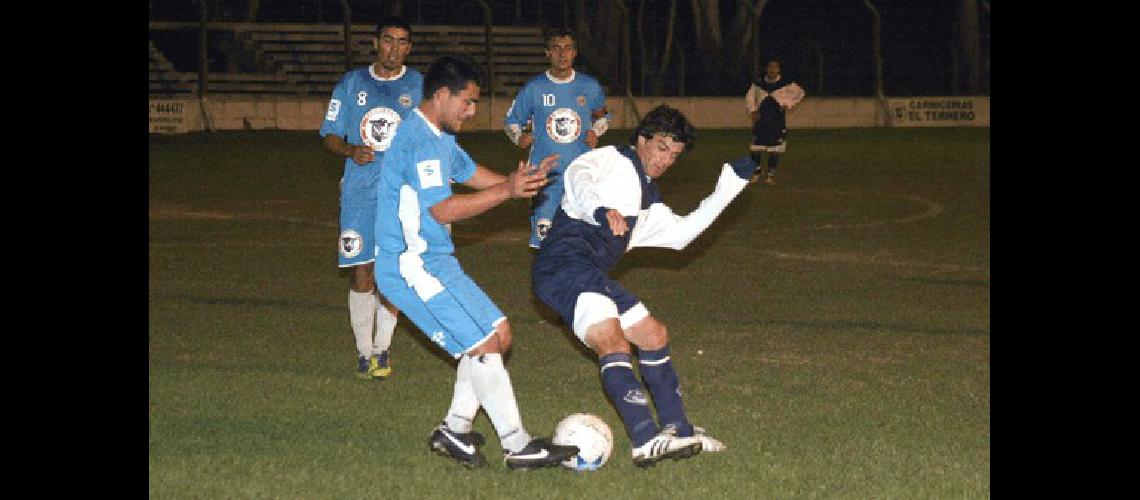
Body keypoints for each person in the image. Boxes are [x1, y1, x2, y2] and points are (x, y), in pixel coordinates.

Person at [373, 55, 578, 470]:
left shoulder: (439, 136)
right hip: (409, 266)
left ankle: (454, 430)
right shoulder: (418, 140)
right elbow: (443, 211)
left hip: (435, 260)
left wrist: (520, 181)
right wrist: (507, 192)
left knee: (499, 335)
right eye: (467, 102)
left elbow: (468, 172)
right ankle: (518, 446)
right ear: (443, 95)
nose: (471, 111)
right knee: (483, 346)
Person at [532, 104, 759, 467]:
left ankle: (678, 430)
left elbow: (682, 235)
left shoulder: (646, 200)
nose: (666, 159)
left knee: (653, 335)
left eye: (675, 154)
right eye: (662, 147)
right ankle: (644, 439)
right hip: (563, 268)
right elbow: (577, 175)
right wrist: (600, 210)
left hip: (589, 274)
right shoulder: (612, 158)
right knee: (612, 340)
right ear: (642, 139)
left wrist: (729, 187)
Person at [319, 16, 422, 380]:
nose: (395, 48)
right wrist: (349, 149)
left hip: (402, 195)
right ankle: (364, 353)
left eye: (402, 41)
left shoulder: (419, 87)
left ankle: (383, 350)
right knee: (362, 271)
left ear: (410, 47)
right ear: (376, 43)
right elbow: (329, 134)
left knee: (391, 272)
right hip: (359, 194)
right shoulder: (351, 84)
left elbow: (436, 137)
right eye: (389, 40)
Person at [504, 27, 609, 249]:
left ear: (575, 52)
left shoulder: (589, 86)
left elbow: (603, 117)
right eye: (556, 48)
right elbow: (511, 122)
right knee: (544, 239)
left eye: (568, 48)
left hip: (582, 173)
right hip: (544, 175)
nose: (563, 54)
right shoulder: (534, 88)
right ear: (547, 53)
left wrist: (596, 132)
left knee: (583, 239)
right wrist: (519, 137)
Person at [745, 58, 805, 185]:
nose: (772, 70)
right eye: (770, 67)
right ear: (766, 69)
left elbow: (800, 93)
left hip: (777, 121)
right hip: (761, 120)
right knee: (755, 149)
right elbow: (750, 97)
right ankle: (756, 173)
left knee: (775, 149)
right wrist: (753, 110)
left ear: (779, 70)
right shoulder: (758, 83)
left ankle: (769, 176)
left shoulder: (785, 83)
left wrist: (788, 103)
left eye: (775, 67)